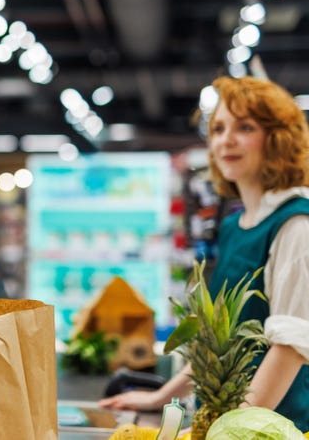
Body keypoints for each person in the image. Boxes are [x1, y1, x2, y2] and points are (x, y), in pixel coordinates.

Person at [99, 75, 309, 431]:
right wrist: (160, 396)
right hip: (228, 423)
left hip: (274, 428)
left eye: (244, 127)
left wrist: (228, 429)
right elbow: (216, 345)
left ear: (277, 139)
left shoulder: (296, 224)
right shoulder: (233, 226)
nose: (226, 140)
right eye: (218, 128)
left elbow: (289, 348)